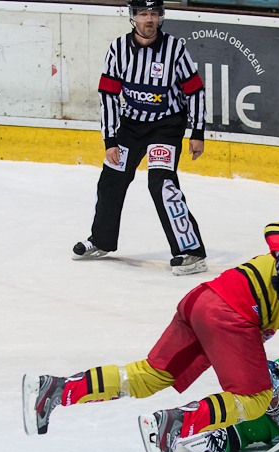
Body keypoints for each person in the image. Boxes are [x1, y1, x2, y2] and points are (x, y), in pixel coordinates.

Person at [22, 218, 279, 452]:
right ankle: (174, 425)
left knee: (150, 376)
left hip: (206, 302)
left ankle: (55, 390)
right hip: (234, 312)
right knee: (256, 398)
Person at [73, 0, 209, 276]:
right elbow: (108, 95)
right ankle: (101, 241)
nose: (149, 19)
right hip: (131, 126)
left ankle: (191, 252)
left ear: (161, 17)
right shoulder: (118, 49)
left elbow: (195, 90)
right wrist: (110, 140)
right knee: (111, 179)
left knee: (161, 184)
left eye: (154, 14)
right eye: (144, 14)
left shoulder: (175, 49)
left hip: (166, 127)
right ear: (133, 17)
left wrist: (197, 132)